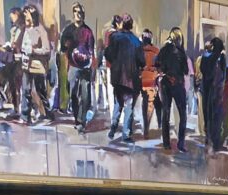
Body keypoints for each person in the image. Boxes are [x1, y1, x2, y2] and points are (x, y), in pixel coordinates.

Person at [104, 14, 144, 142]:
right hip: (131, 78)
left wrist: (116, 63)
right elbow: (142, 61)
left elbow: (108, 54)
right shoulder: (136, 41)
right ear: (131, 25)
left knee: (118, 102)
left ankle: (113, 127)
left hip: (117, 77)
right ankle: (126, 134)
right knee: (129, 106)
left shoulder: (114, 37)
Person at [60, 3, 95, 131]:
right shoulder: (68, 31)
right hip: (73, 66)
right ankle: (77, 118)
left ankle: (81, 121)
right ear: (73, 13)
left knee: (86, 96)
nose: (78, 14)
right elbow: (63, 49)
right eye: (76, 12)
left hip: (85, 67)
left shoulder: (88, 31)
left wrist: (89, 61)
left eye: (80, 12)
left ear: (83, 14)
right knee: (73, 94)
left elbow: (91, 50)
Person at [154, 27, 189, 152]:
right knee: (182, 114)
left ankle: (166, 143)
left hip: (166, 83)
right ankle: (181, 143)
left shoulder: (164, 49)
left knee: (166, 113)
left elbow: (156, 64)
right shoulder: (181, 52)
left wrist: (164, 71)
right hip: (178, 84)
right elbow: (186, 70)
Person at [20, 5, 53, 125]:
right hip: (26, 65)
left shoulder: (41, 30)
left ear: (33, 17)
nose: (26, 20)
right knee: (26, 90)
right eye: (25, 18)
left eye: (27, 18)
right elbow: (24, 46)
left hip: (38, 66)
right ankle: (25, 116)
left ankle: (47, 114)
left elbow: (47, 49)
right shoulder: (26, 30)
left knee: (40, 91)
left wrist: (33, 51)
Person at [198, 37, 228, 153]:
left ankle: (208, 137)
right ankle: (216, 142)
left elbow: (202, 69)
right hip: (217, 90)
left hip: (206, 89)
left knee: (207, 113)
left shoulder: (206, 57)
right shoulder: (221, 57)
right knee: (216, 116)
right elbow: (224, 74)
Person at [138, 29, 160, 139]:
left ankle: (145, 126)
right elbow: (159, 66)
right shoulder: (156, 51)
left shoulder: (138, 50)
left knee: (144, 102)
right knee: (150, 104)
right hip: (152, 80)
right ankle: (147, 126)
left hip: (141, 79)